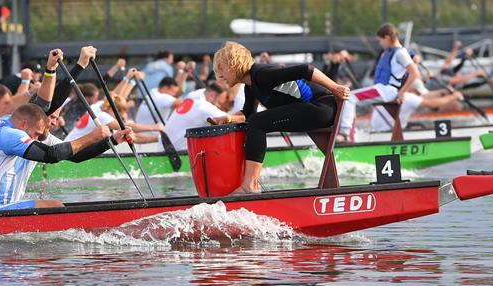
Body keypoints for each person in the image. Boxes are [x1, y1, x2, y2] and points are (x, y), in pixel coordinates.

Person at [211, 40, 349, 194]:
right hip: (312, 109)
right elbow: (248, 114)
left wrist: (336, 88)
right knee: (254, 121)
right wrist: (227, 119)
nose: (219, 75)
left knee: (257, 123)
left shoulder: (262, 74)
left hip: (321, 108)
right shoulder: (251, 86)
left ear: (234, 64)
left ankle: (249, 186)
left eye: (221, 68)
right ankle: (250, 184)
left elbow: (307, 69)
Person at [0, 103, 134, 212]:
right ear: (23, 124)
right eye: (36, 134)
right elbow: (51, 155)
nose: (36, 139)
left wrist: (112, 140)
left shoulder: (1, 123)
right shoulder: (10, 135)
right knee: (55, 207)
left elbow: (76, 156)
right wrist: (92, 136)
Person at [337, 23, 420, 141]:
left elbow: (415, 73)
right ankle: (350, 135)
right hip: (382, 89)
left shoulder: (400, 53)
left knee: (349, 98)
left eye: (380, 40)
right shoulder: (388, 52)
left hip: (388, 91)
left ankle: (345, 134)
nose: (380, 44)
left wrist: (403, 92)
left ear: (387, 38)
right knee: (349, 98)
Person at [162, 82, 237, 151]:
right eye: (219, 104)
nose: (220, 109)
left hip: (163, 151)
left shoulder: (193, 98)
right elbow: (233, 121)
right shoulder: (204, 107)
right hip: (175, 156)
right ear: (212, 95)